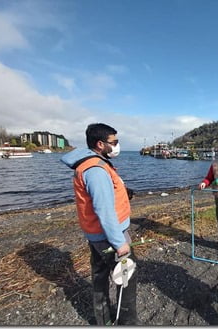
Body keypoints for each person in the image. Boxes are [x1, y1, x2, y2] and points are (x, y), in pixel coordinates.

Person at [61, 123, 138, 325]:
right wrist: (119, 243)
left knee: (100, 275)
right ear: (100, 144)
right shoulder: (95, 170)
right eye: (114, 142)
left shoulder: (92, 164)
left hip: (95, 234)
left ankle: (101, 319)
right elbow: (104, 210)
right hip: (109, 237)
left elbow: (102, 196)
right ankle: (126, 323)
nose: (117, 146)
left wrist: (123, 191)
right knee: (126, 279)